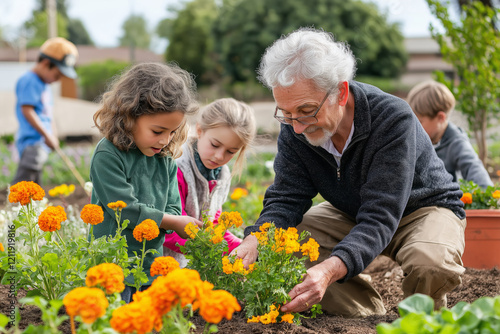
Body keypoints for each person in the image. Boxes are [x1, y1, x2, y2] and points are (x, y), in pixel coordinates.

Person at [233, 28, 466, 317]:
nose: (296, 127)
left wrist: (331, 269)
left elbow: (381, 214)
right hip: (352, 212)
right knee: (287, 244)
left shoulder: (392, 119)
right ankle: (369, 317)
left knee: (430, 263)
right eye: (286, 113)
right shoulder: (295, 127)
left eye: (306, 110)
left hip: (422, 209)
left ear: (341, 92)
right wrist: (256, 238)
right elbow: (286, 197)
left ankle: (424, 320)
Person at [90, 62, 203, 303]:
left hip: (150, 264)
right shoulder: (108, 155)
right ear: (129, 116)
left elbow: (173, 206)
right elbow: (124, 209)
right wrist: (172, 221)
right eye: (158, 130)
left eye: (172, 132)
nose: (165, 140)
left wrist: (175, 218)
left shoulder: (164, 159)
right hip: (114, 264)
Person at [163, 98, 257, 266]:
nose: (220, 156)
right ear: (199, 130)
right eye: (215, 145)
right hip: (162, 266)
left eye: (231, 151)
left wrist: (244, 248)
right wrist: (209, 249)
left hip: (193, 263)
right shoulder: (177, 166)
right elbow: (169, 231)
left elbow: (213, 225)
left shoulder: (221, 174)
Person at [12, 37, 78, 185]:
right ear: (46, 63)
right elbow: (27, 110)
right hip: (32, 142)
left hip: (40, 142)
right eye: (57, 75)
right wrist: (46, 134)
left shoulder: (45, 85)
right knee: (24, 180)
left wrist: (53, 134)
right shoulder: (29, 80)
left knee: (35, 182)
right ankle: (13, 206)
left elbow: (48, 115)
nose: (58, 80)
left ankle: (33, 207)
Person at [407, 80, 493, 188]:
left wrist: (485, 192)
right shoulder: (419, 139)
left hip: (445, 202)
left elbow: (477, 173)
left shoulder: (456, 143)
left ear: (440, 118)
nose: (414, 128)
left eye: (419, 122)